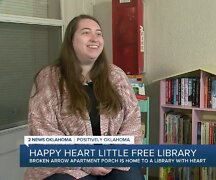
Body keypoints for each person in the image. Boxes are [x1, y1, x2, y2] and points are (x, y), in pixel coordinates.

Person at [24, 14, 144, 180]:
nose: (95, 38)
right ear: (71, 41)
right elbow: (42, 131)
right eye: (86, 32)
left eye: (99, 33)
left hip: (112, 159)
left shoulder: (116, 75)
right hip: (64, 165)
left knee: (131, 177)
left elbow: (132, 121)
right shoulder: (48, 78)